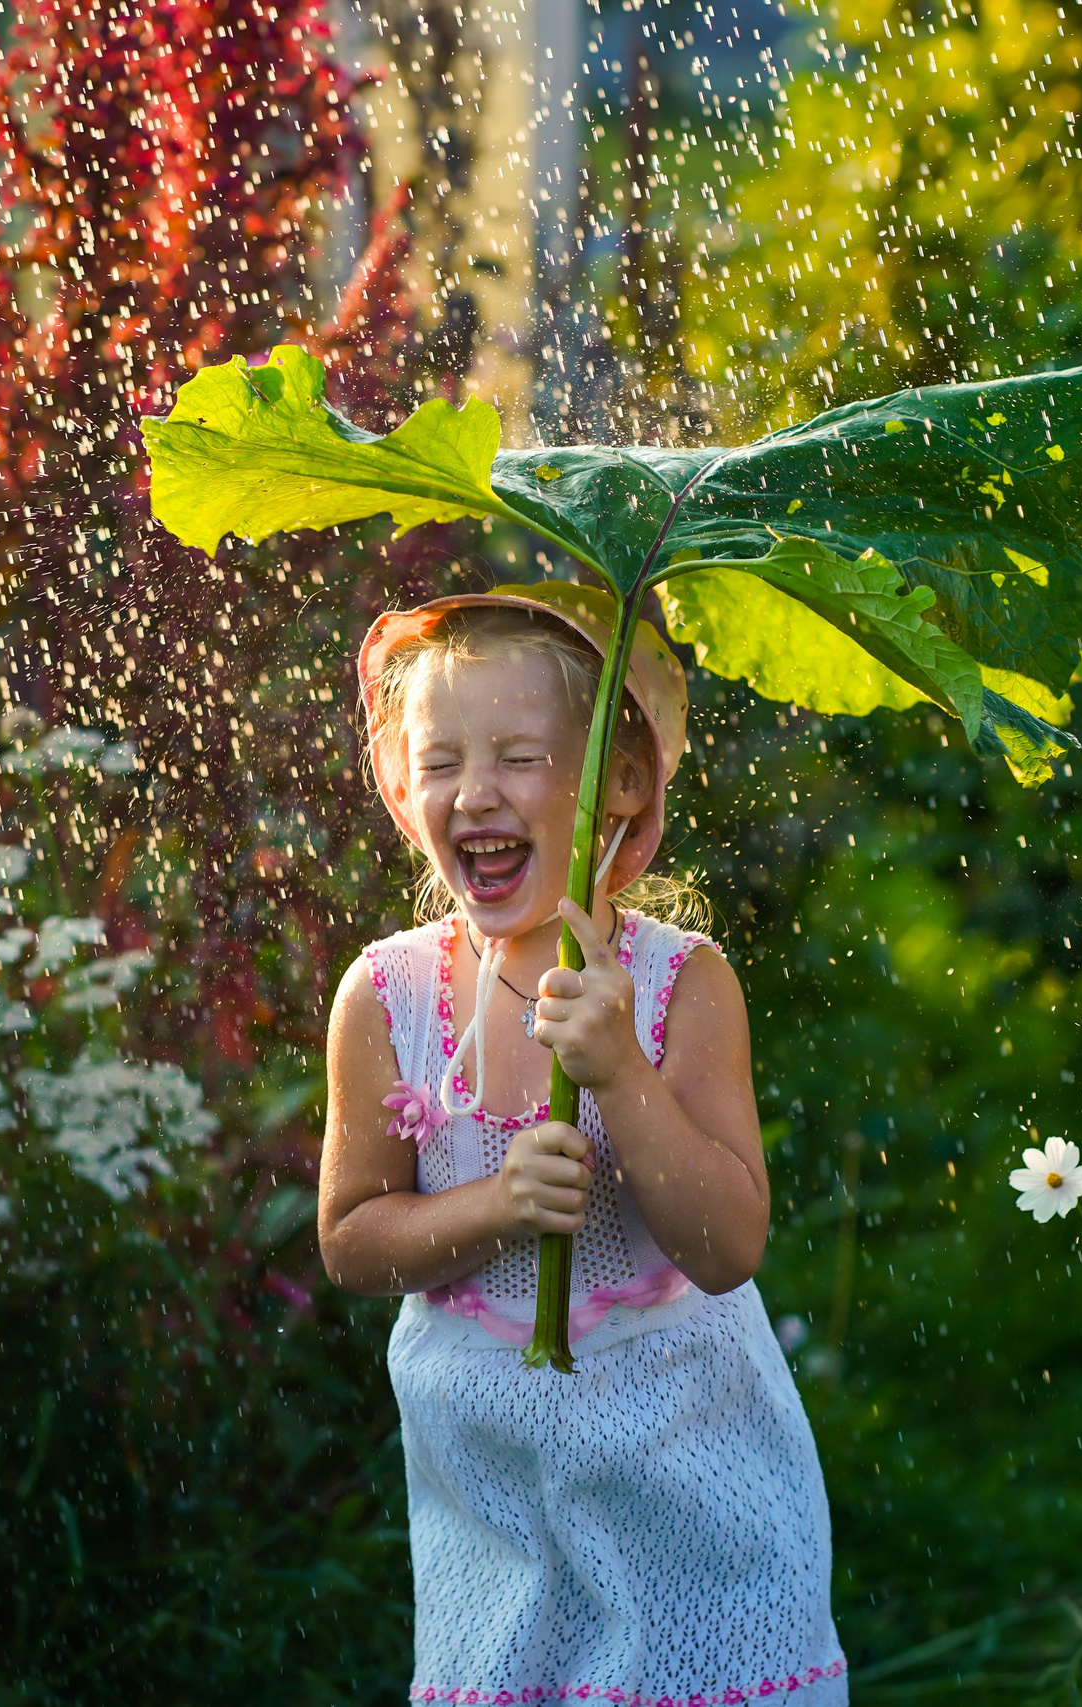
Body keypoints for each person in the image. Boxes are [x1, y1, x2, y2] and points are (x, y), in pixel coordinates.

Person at [320, 588, 846, 1704]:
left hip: (690, 1501)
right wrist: (493, 1208)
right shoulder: (387, 998)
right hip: (497, 1535)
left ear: (616, 783)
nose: (475, 793)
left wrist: (619, 1074)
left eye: (517, 756)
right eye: (443, 759)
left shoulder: (675, 989)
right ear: (402, 786)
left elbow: (727, 1244)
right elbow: (352, 1241)